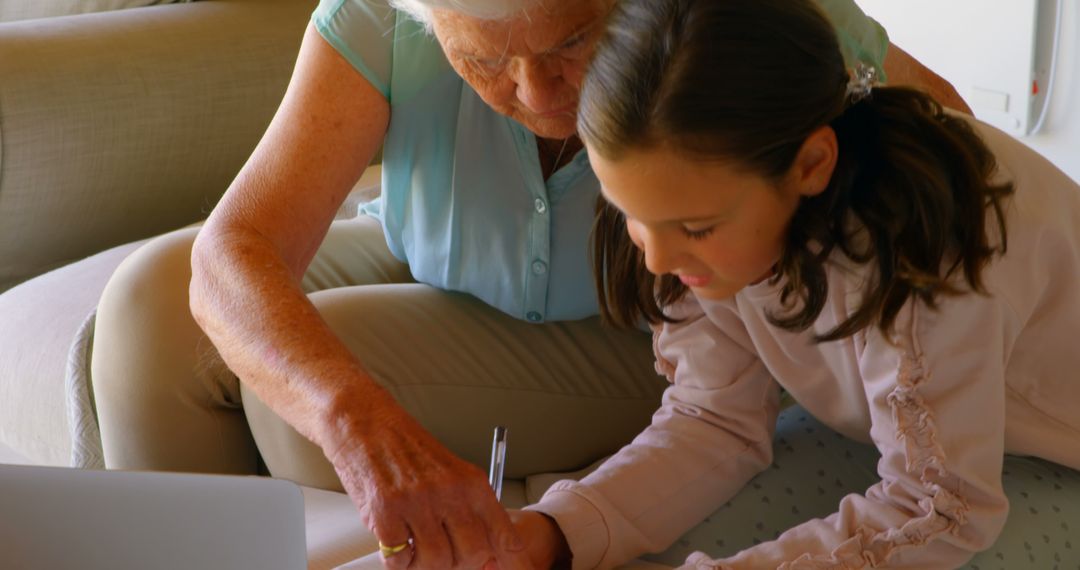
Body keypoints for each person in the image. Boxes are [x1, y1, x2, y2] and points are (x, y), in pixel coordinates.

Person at [86, 0, 968, 568]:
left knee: (288, 402)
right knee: (149, 307)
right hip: (435, 254)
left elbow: (953, 140)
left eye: (573, 42)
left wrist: (794, 293)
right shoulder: (378, 19)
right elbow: (235, 246)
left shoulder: (743, 22)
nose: (537, 91)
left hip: (639, 324)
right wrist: (354, 418)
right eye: (481, 63)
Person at [511, 0, 1080, 568]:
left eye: (696, 228)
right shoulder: (703, 198)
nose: (657, 258)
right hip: (924, 445)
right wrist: (555, 534)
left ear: (812, 165)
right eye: (631, 214)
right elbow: (714, 418)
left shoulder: (927, 254)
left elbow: (945, 511)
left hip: (1050, 460)